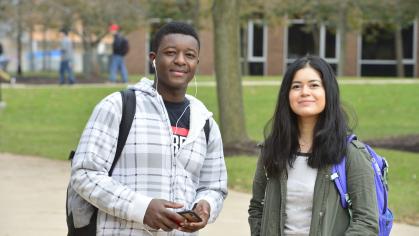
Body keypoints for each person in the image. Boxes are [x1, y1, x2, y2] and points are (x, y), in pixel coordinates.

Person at [70, 21, 228, 235]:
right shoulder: (118, 106)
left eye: (189, 55)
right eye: (171, 53)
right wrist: (142, 209)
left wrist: (206, 205)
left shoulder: (205, 123)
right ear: (154, 58)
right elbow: (85, 174)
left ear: (196, 63)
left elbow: (214, 186)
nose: (180, 60)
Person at [248, 55, 378, 236]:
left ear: (328, 92)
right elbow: (257, 207)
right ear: (287, 95)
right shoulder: (272, 150)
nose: (305, 92)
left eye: (314, 85)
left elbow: (366, 221)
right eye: (296, 86)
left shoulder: (350, 153)